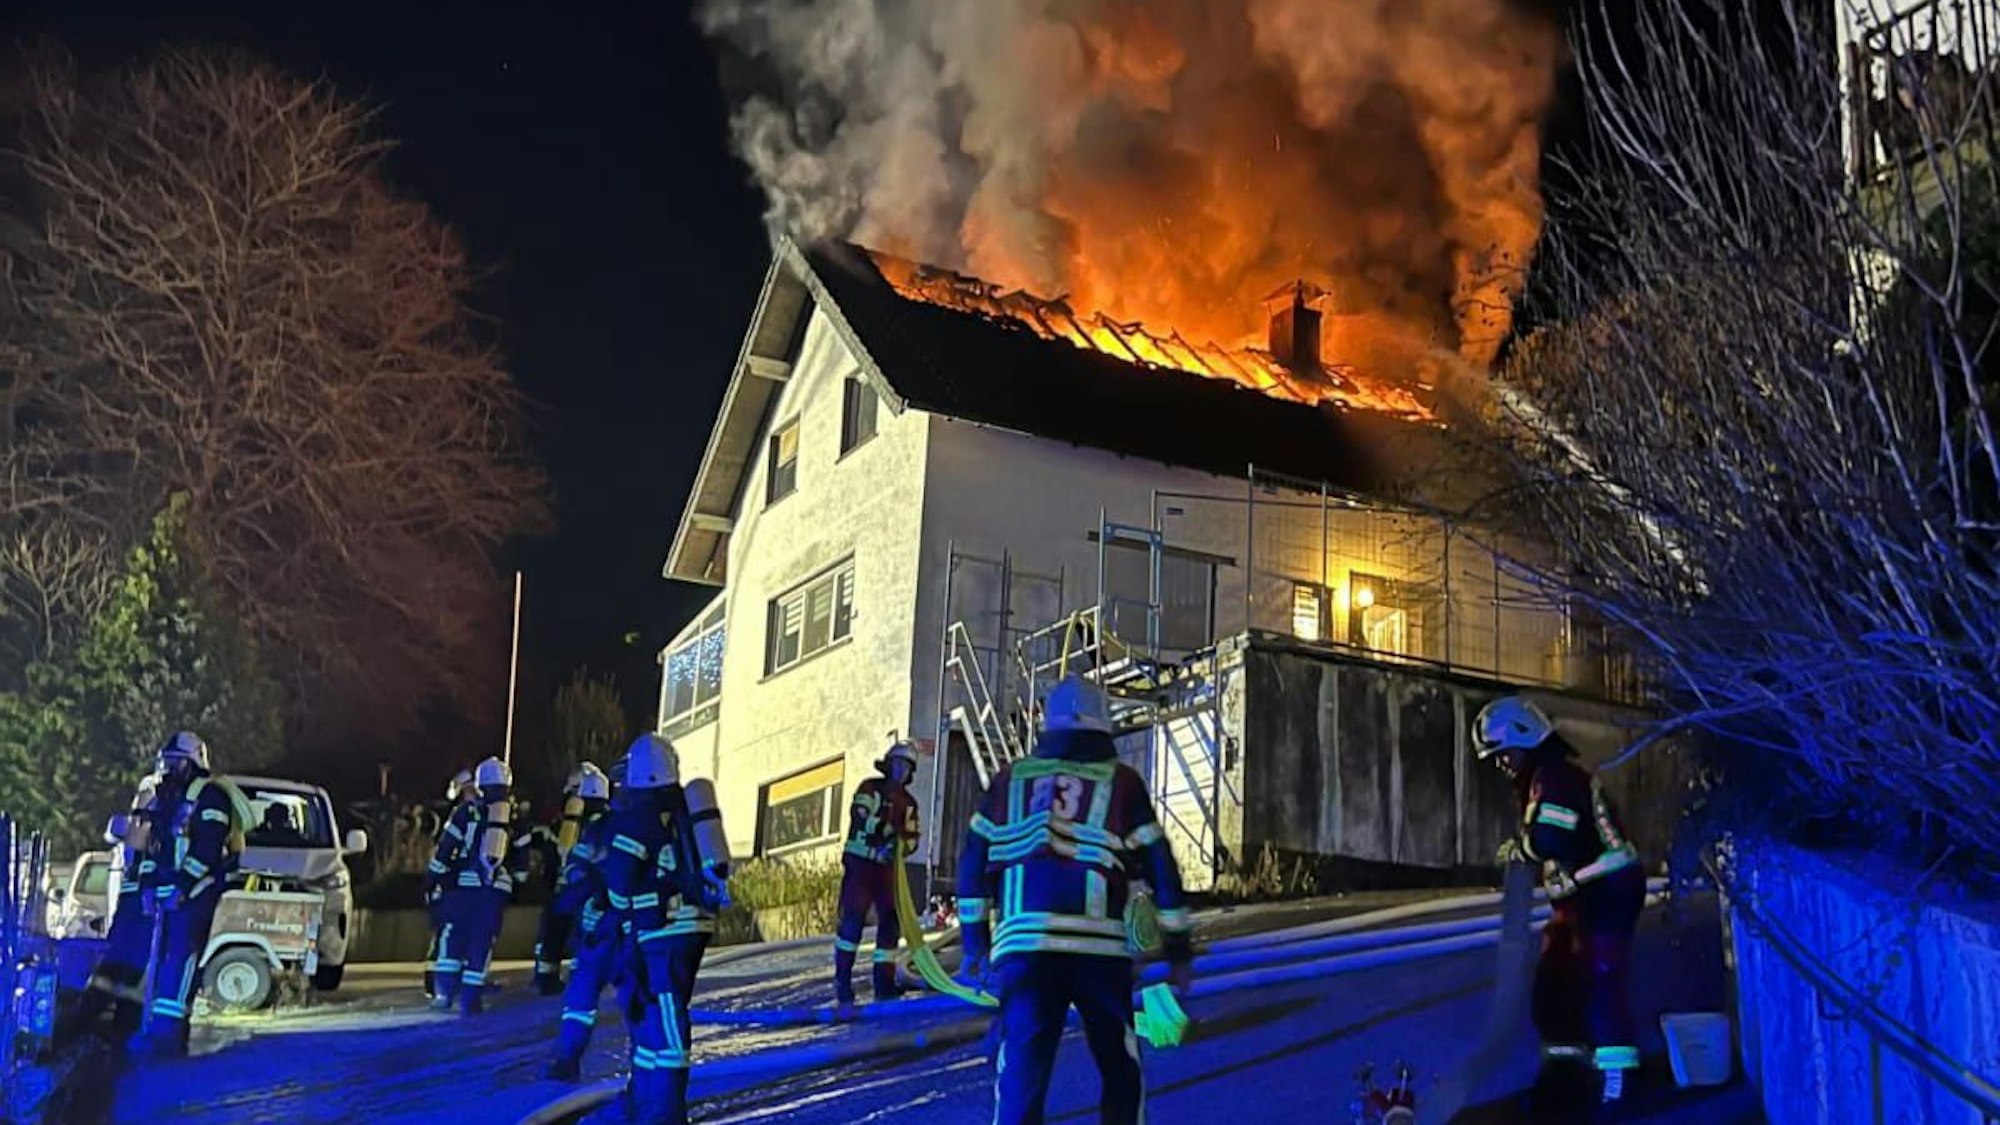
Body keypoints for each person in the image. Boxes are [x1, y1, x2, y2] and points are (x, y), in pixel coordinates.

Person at [957, 676, 1195, 1125]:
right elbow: (1162, 867)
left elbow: (972, 864)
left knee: (1022, 1072)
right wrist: (1178, 949)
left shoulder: (1010, 780)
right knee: (1119, 1066)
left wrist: (975, 946)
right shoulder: (1120, 782)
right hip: (1098, 951)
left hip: (1023, 951)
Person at [1475, 696, 1647, 1109]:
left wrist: (1521, 849)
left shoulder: (1556, 777)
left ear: (1525, 739)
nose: (1502, 766)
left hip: (1608, 892)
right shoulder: (1545, 778)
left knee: (1600, 980)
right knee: (1556, 982)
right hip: (1581, 897)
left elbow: (1552, 836)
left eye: (1504, 755)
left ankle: (1618, 1084)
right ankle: (1564, 1079)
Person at [589, 733, 713, 1123]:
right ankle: (642, 1099)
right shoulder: (684, 810)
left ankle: (663, 1111)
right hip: (693, 927)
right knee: (654, 1015)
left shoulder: (639, 815)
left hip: (659, 933)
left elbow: (621, 881)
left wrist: (615, 916)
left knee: (663, 1017)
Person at [137, 731, 250, 1058]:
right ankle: (153, 1029)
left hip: (195, 896)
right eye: (166, 763)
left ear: (192, 763)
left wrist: (182, 887)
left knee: (181, 960)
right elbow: (151, 848)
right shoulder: (164, 798)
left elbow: (207, 848)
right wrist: (147, 888)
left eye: (176, 763)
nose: (169, 769)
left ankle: (170, 1039)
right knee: (158, 962)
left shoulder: (212, 796)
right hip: (163, 896)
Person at [70, 771, 163, 1043]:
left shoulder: (157, 817)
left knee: (123, 973)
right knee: (124, 975)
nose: (137, 826)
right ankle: (104, 1029)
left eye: (142, 820)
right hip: (137, 911)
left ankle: (91, 1026)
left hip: (142, 912)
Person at [832, 737, 921, 1009]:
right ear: (888, 764)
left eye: (906, 767)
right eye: (897, 764)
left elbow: (913, 838)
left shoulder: (909, 803)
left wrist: (900, 845)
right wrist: (886, 833)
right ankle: (843, 982)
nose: (900, 771)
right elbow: (859, 813)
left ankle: (884, 984)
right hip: (861, 865)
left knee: (890, 925)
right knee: (852, 923)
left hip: (887, 872)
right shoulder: (870, 788)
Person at [428, 756, 514, 1015]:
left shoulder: (466, 813)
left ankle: (443, 994)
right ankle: (470, 999)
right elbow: (520, 857)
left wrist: (433, 880)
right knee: (482, 942)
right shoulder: (511, 815)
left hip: (461, 890)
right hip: (493, 891)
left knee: (452, 940)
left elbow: (445, 849)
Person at [532, 762, 613, 996]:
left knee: (555, 929)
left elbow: (568, 854)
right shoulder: (611, 821)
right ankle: (586, 978)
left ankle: (546, 977)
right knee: (586, 934)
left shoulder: (573, 819)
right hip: (598, 889)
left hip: (571, 887)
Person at [424, 767, 478, 1000]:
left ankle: (439, 987)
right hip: (482, 889)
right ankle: (464, 987)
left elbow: (444, 852)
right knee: (471, 938)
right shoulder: (488, 813)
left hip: (453, 886)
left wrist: (431, 881)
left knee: (444, 938)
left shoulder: (461, 815)